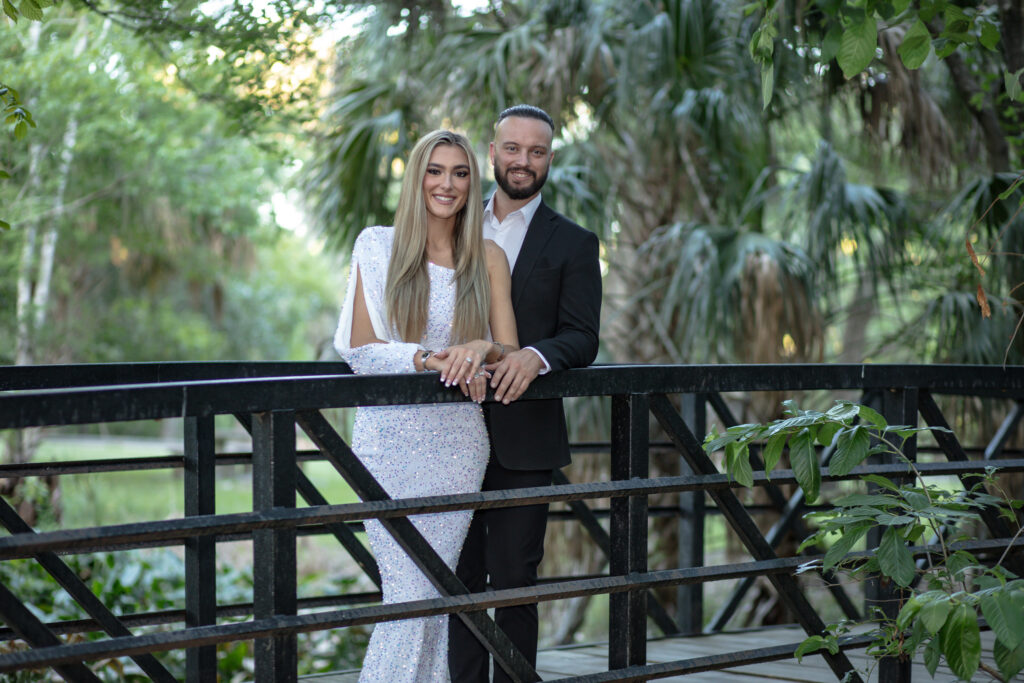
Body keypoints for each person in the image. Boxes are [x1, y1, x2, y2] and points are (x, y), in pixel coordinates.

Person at [333, 129, 519, 683]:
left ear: (472, 182)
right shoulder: (376, 244)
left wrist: (482, 346)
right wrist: (425, 359)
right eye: (435, 171)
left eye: (460, 173)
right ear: (416, 178)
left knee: (434, 596)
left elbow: (508, 348)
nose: (447, 184)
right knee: (411, 593)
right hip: (388, 442)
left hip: (459, 444)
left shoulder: (487, 256)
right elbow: (360, 350)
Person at [449, 105, 603, 682]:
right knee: (454, 580)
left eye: (536, 152)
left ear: (550, 160)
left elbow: (582, 336)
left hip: (525, 433)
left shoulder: (574, 242)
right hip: (446, 429)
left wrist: (535, 357)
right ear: (492, 152)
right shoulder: (450, 221)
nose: (523, 161)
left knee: (515, 582)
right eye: (512, 148)